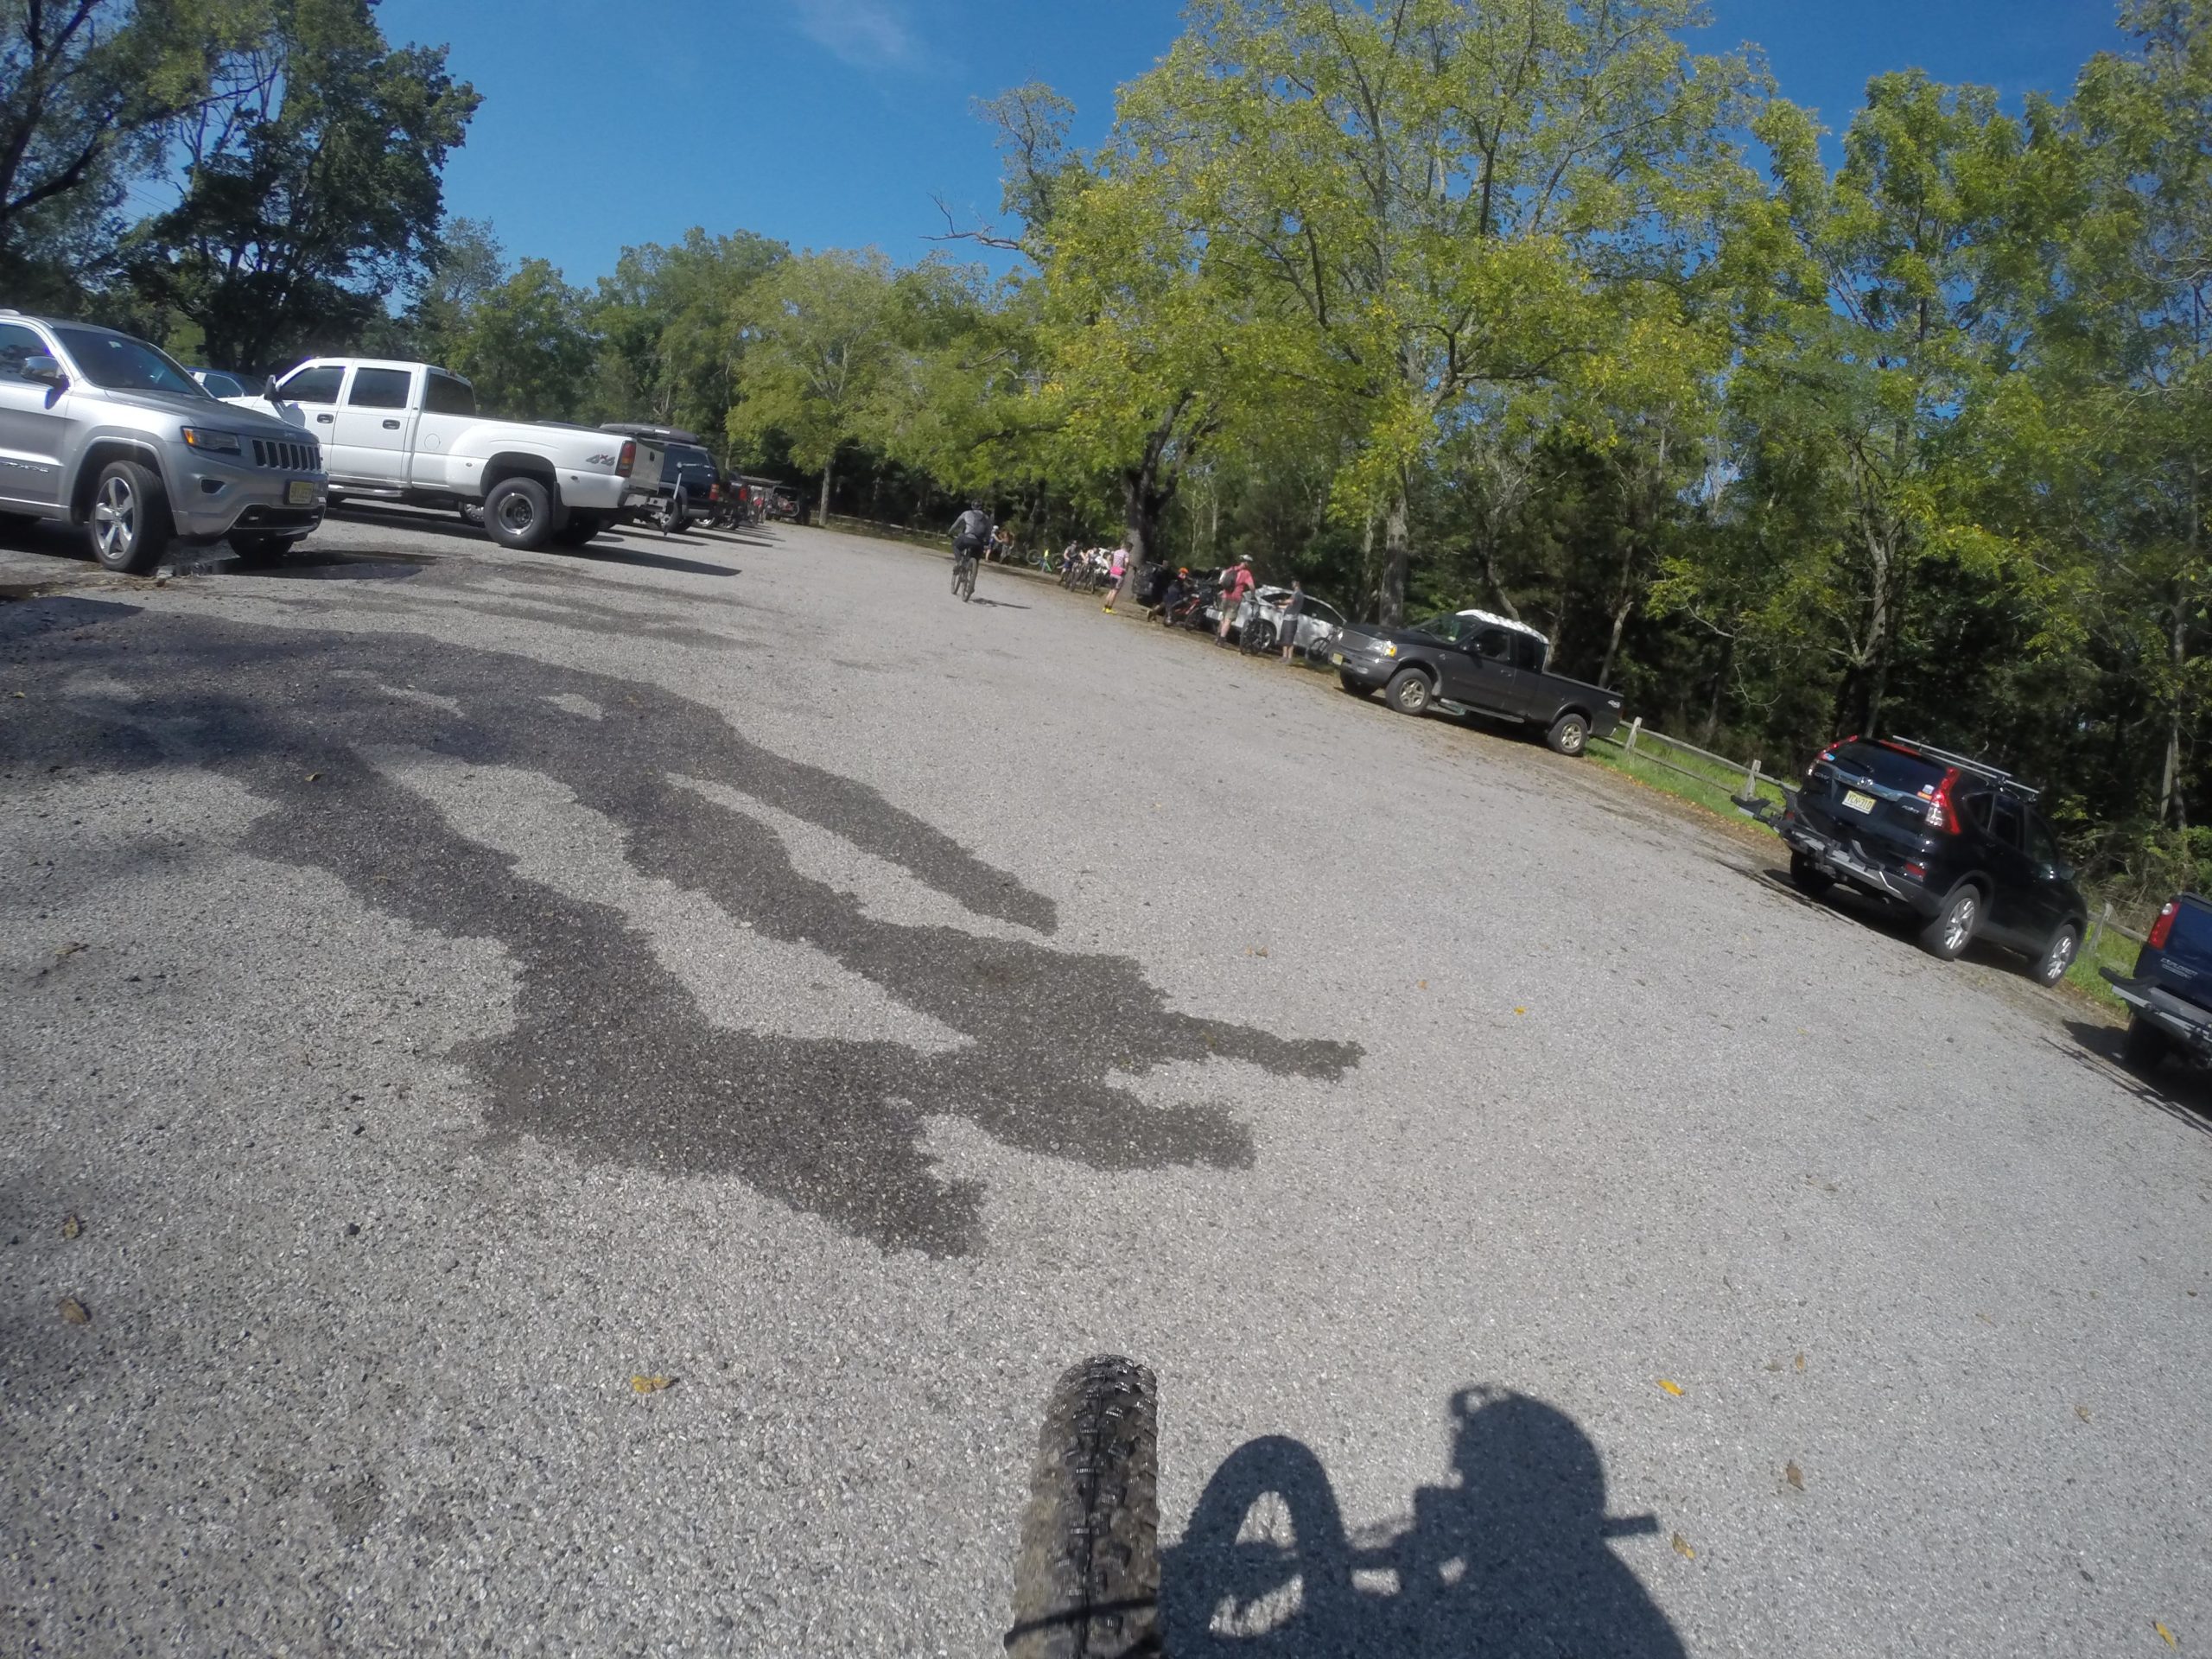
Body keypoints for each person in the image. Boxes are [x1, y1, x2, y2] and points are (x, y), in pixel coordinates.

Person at [950, 501, 993, 595]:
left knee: (955, 545)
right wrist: (987, 542)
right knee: (976, 563)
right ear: (982, 507)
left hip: (967, 538)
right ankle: (971, 586)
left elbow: (956, 524)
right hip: (979, 542)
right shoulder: (987, 518)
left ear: (972, 506)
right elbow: (989, 532)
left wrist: (950, 532)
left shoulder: (967, 513)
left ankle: (959, 562)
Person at [1217, 556, 1255, 645]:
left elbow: (1221, 580)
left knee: (1223, 617)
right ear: (1246, 563)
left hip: (1225, 596)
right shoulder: (1246, 573)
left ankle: (1218, 637)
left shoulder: (1232, 569)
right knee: (1228, 620)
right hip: (1235, 598)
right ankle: (1222, 640)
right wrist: (1253, 595)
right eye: (1249, 563)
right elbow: (1252, 586)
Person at [1278, 579, 1306, 662]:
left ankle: (1289, 658)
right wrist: (1278, 606)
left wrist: (1281, 601)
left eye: (1294, 583)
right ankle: (1284, 656)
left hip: (1292, 620)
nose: (1292, 584)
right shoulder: (1294, 593)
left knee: (1289, 639)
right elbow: (1288, 606)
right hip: (1286, 618)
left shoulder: (1298, 594)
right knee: (1284, 638)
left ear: (1297, 584)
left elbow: (1290, 601)